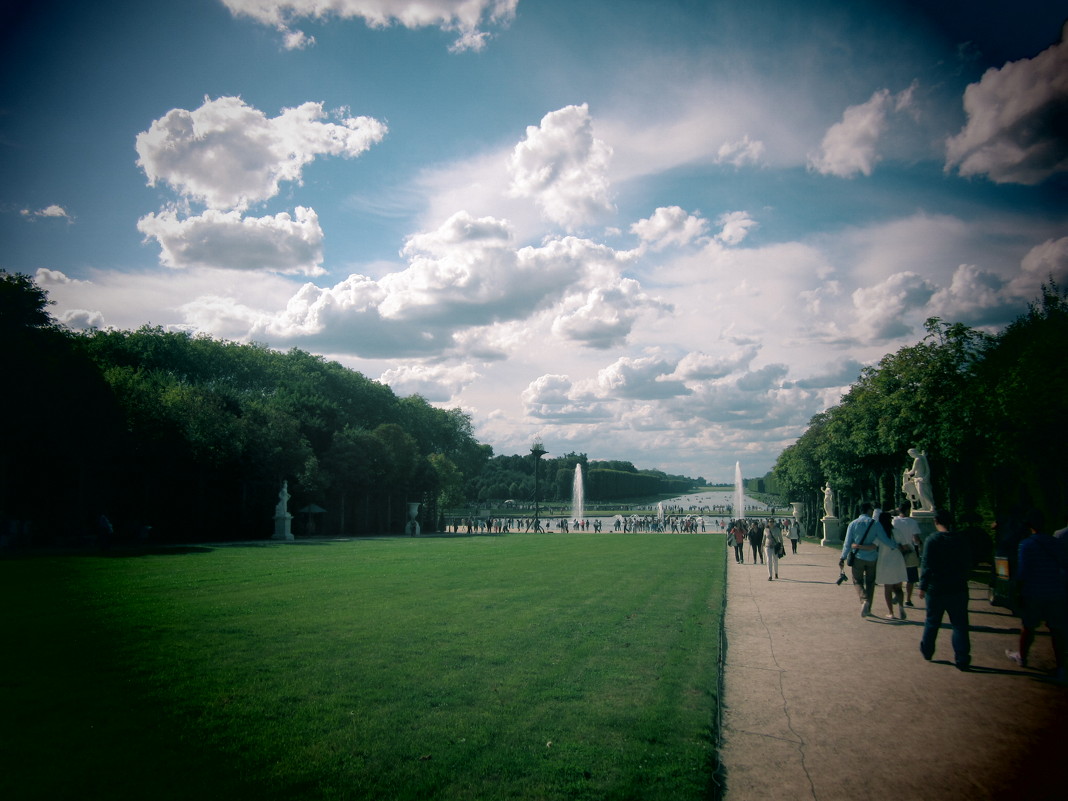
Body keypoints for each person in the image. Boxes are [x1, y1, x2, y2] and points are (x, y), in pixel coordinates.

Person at [1005, 511, 1066, 680]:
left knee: (1028, 626)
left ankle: (1023, 657)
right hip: (1055, 591)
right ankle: (1061, 666)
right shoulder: (1056, 542)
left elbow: (1023, 572)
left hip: (1034, 592)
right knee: (1057, 630)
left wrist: (1017, 591)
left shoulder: (1026, 544)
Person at [918, 508, 972, 670]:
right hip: (958, 587)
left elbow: (926, 565)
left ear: (936, 521)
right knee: (960, 624)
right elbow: (968, 563)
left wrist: (922, 586)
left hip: (937, 588)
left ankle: (928, 651)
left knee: (932, 621)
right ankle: (962, 658)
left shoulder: (932, 540)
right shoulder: (961, 539)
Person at [839, 503, 896, 617]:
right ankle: (868, 608)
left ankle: (864, 599)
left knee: (857, 581)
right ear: (869, 510)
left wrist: (843, 557)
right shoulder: (875, 523)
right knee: (870, 583)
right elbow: (884, 538)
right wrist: (895, 546)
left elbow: (847, 543)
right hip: (872, 558)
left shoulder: (853, 524)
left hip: (858, 557)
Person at [876, 509, 909, 620]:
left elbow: (873, 546)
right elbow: (905, 547)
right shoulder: (896, 532)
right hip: (897, 560)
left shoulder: (879, 534)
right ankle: (901, 607)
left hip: (885, 562)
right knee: (898, 587)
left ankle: (891, 612)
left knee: (888, 588)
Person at [893, 501, 923, 607]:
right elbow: (915, 539)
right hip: (909, 550)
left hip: (897, 551)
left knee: (898, 576)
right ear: (907, 510)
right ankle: (908, 599)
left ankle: (897, 594)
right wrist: (919, 545)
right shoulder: (912, 522)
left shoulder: (894, 521)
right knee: (911, 578)